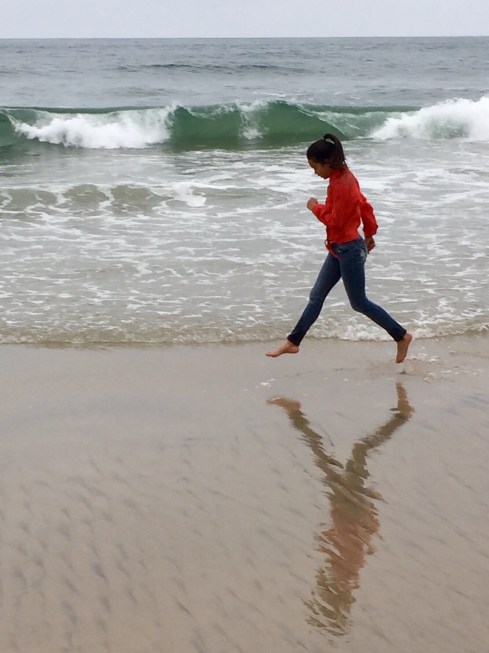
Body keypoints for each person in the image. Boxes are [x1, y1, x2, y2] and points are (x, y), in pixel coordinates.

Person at [266, 133, 412, 363]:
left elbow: (335, 221)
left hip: (349, 251)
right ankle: (293, 342)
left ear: (327, 162)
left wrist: (315, 208)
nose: (315, 172)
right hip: (339, 248)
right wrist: (369, 232)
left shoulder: (341, 185)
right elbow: (363, 205)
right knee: (316, 296)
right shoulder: (344, 177)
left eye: (315, 167)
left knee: (359, 303)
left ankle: (401, 336)